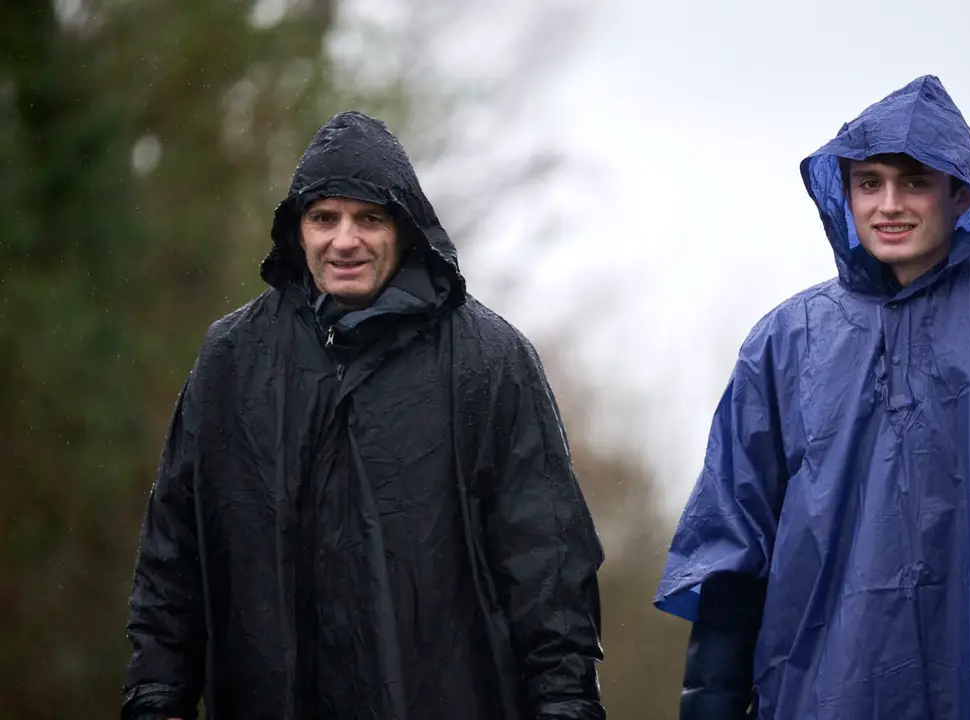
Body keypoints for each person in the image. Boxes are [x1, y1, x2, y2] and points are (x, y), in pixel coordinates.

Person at [654, 75, 970, 719]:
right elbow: (733, 559)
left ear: (958, 192)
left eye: (914, 181)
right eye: (869, 183)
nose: (889, 204)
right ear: (845, 192)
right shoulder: (786, 343)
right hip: (817, 700)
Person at [121, 111, 607, 720]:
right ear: (298, 230)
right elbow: (173, 558)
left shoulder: (490, 362)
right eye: (324, 217)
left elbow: (548, 565)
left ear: (403, 229)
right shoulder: (233, 361)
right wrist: (157, 700)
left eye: (368, 218)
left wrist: (565, 705)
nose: (343, 240)